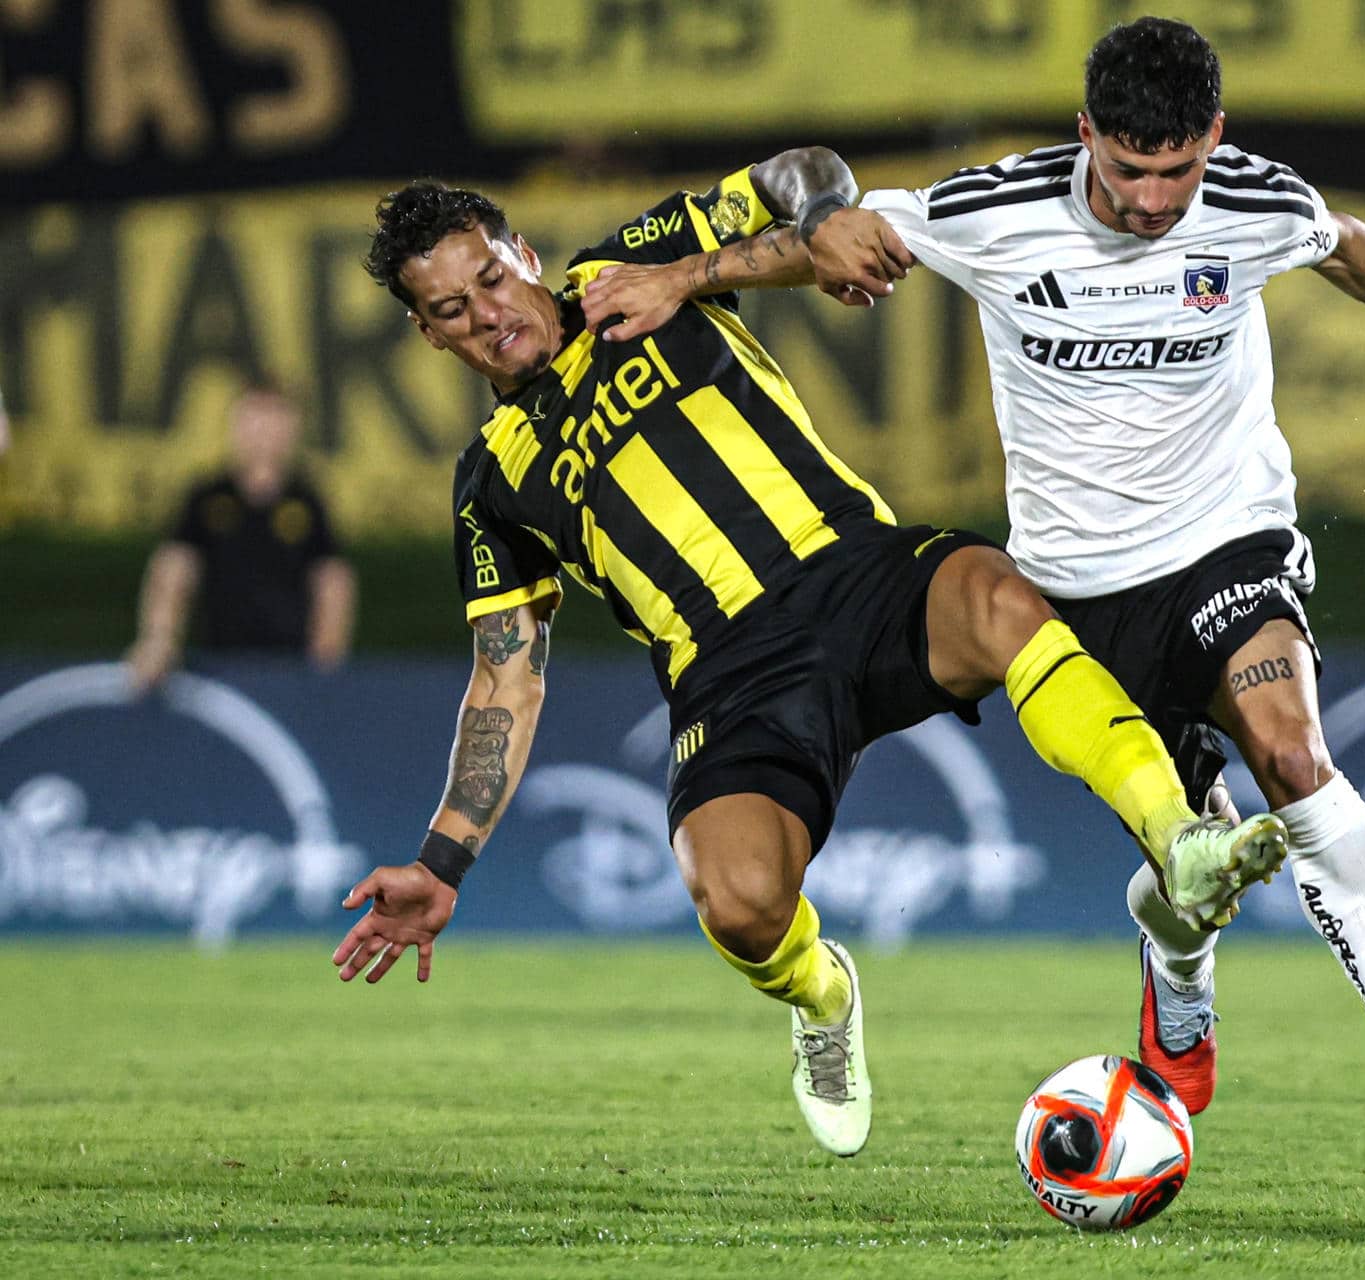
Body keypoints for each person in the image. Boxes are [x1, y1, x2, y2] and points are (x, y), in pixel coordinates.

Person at [332, 148, 1287, 1160]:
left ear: (522, 254)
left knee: (999, 592)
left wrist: (823, 216)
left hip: (854, 574)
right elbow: (505, 675)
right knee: (738, 902)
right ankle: (823, 994)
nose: (484, 311)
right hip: (731, 675)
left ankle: (1180, 836)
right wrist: (443, 861)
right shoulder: (491, 486)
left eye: (488, 275)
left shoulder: (630, 273)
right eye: (447, 308)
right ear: (427, 334)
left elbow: (798, 173)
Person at [833, 18, 1365, 1186]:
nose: (1152, 200)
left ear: (1214, 141)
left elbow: (1344, 243)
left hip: (1229, 537)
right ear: (1085, 133)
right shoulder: (994, 210)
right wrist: (694, 270)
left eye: (1177, 170)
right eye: (1130, 169)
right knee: (1190, 866)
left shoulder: (1252, 203)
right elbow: (853, 229)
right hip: (1080, 597)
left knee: (1294, 761)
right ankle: (1178, 977)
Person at [126, 382, 357, 690]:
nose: (263, 432)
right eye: (254, 419)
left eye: (275, 420)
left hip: (291, 670)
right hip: (216, 668)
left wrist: (324, 666)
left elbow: (333, 582)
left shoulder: (306, 502)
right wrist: (159, 638)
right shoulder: (207, 497)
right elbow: (174, 568)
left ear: (292, 430)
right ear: (235, 426)